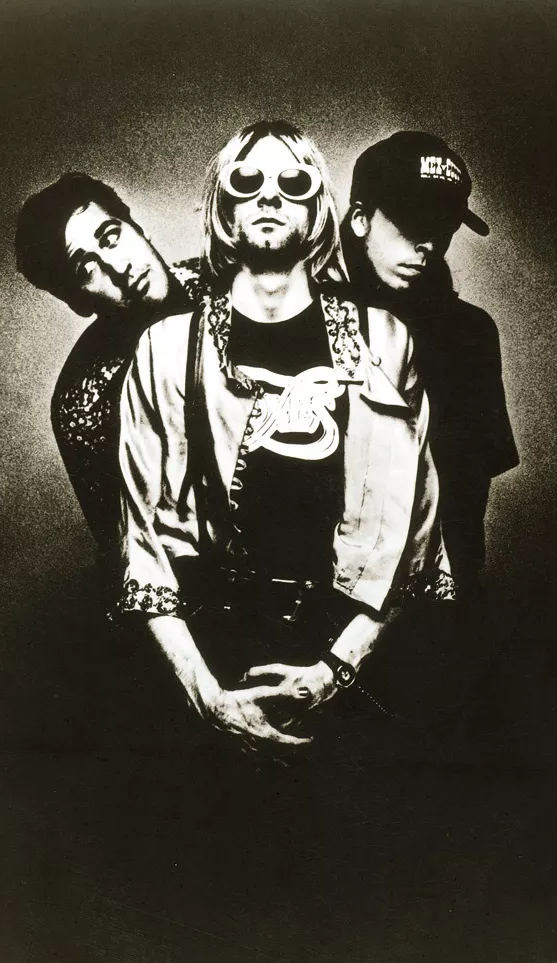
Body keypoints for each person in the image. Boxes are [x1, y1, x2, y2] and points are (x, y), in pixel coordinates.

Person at [116, 121, 454, 752]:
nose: (269, 195)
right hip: (216, 661)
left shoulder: (383, 341)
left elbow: (416, 533)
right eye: (246, 181)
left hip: (347, 665)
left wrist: (335, 671)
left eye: (293, 182)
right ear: (222, 204)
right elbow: (144, 545)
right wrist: (206, 695)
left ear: (318, 206)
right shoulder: (165, 349)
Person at [342, 132, 518, 598]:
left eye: (444, 227)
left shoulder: (469, 334)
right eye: (413, 221)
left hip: (429, 599)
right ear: (360, 219)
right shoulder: (301, 311)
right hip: (317, 593)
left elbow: (468, 494)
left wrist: (458, 598)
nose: (429, 244)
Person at [14, 172, 204, 560]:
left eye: (111, 237)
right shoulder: (83, 404)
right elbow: (129, 552)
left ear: (138, 227)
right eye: (87, 269)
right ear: (76, 302)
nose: (118, 267)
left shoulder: (235, 280)